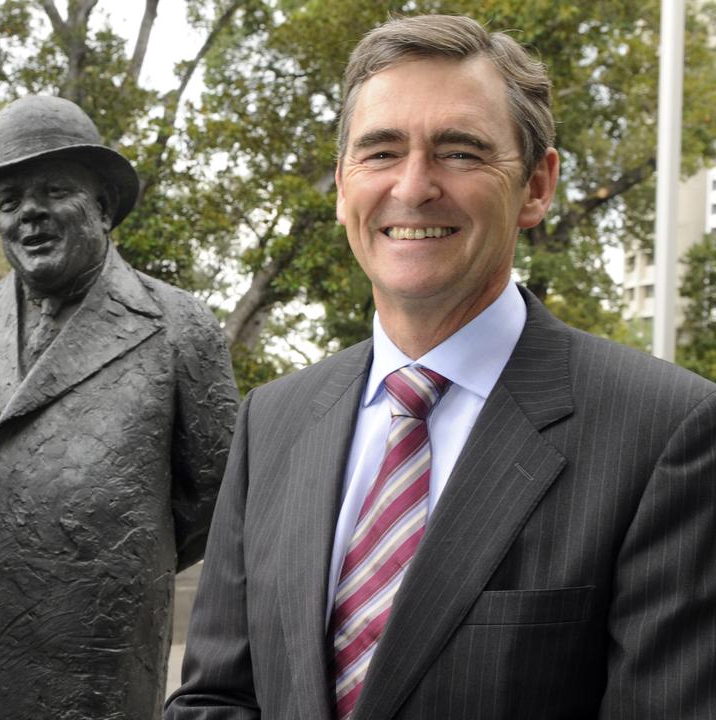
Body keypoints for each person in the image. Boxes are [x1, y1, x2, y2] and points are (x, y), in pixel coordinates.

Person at [167, 14, 716, 720]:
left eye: (460, 152)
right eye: (381, 151)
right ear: (342, 186)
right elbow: (218, 696)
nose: (415, 185)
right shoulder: (272, 421)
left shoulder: (664, 433)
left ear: (537, 186)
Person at [0, 94, 239, 719]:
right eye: (9, 202)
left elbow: (213, 498)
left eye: (54, 191)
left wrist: (101, 554)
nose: (29, 213)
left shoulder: (177, 326)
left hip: (91, 651)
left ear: (103, 206)